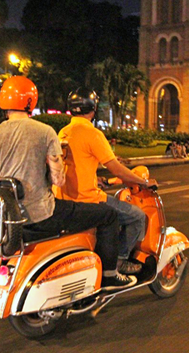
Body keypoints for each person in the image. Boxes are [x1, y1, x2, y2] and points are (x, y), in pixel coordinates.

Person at [0, 76, 136, 290]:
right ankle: (110, 275)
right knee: (108, 216)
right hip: (43, 215)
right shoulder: (45, 132)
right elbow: (58, 179)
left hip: (11, 219)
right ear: (30, 102)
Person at [55, 88, 153, 275]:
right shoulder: (92, 133)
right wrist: (142, 182)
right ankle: (119, 261)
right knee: (137, 216)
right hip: (87, 199)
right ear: (93, 108)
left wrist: (98, 179)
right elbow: (115, 168)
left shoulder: (63, 132)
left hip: (65, 198)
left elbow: (77, 164)